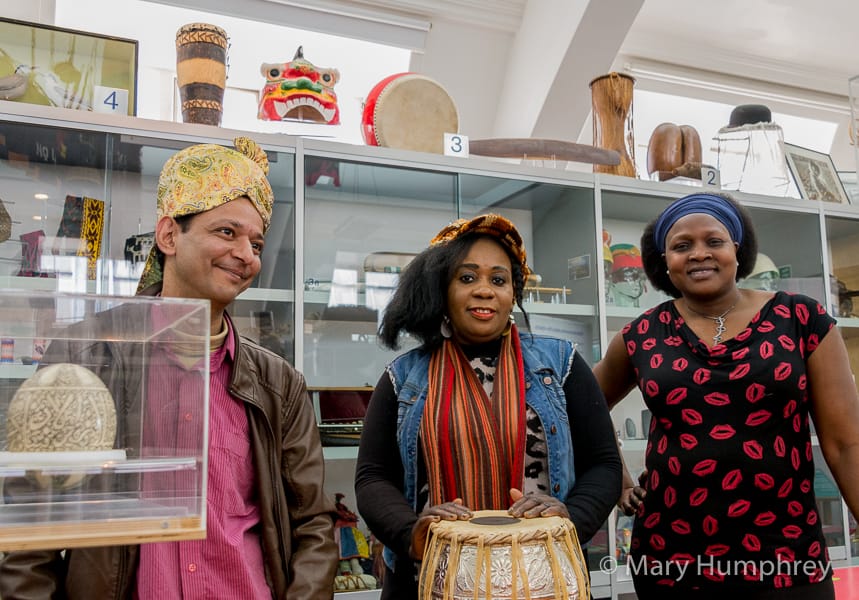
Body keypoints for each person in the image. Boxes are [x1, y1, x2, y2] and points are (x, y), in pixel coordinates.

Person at [0, 138, 338, 599]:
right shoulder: (88, 354)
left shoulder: (278, 383)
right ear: (169, 235)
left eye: (256, 242)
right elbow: (33, 519)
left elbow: (313, 524)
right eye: (226, 232)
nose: (246, 254)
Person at [593, 192, 859, 599]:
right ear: (664, 259)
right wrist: (620, 483)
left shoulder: (801, 320)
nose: (699, 254)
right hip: (671, 556)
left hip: (787, 554)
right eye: (682, 246)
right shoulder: (641, 335)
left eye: (713, 241)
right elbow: (580, 409)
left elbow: (845, 445)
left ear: (737, 248)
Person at [355, 213, 622, 599]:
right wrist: (410, 532)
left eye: (498, 279)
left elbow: (605, 463)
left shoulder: (560, 364)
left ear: (513, 293)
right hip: (430, 579)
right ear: (441, 290)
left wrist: (569, 519)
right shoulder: (405, 376)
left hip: (544, 576)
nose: (485, 290)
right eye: (467, 278)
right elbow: (373, 476)